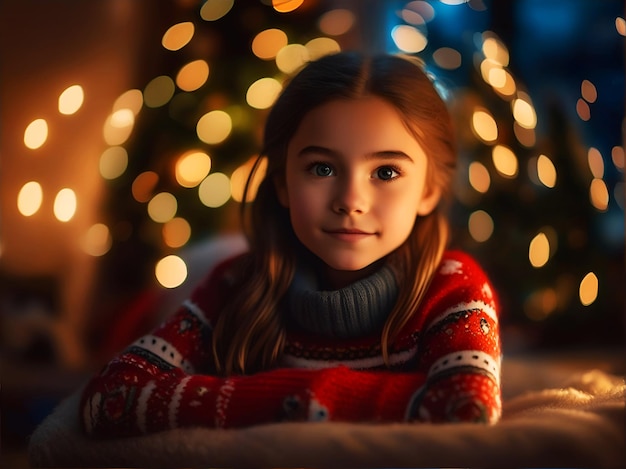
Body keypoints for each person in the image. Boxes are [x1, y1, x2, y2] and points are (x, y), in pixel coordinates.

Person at [81, 51, 502, 436]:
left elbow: (466, 408)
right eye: (321, 168)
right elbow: (111, 397)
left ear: (430, 190)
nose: (350, 201)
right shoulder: (236, 285)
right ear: (282, 181)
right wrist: (366, 397)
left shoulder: (453, 289)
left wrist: (262, 398)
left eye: (387, 172)